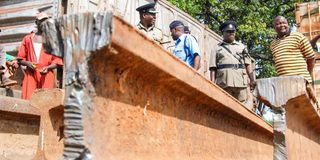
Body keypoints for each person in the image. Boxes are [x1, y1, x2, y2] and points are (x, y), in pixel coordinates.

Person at [17, 12, 63, 99]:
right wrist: (27, 64)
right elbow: (20, 59)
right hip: (31, 74)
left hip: (46, 74)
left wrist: (48, 68)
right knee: (28, 100)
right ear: (36, 22)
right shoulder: (28, 39)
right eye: (41, 21)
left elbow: (58, 61)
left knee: (45, 102)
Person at [209, 20, 255, 103]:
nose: (231, 33)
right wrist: (212, 84)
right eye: (228, 31)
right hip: (224, 82)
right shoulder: (216, 48)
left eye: (233, 31)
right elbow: (213, 68)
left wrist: (252, 80)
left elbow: (248, 64)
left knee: (242, 106)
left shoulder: (242, 47)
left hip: (240, 82)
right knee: (225, 105)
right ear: (223, 32)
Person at [271, 16, 315, 83]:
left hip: (301, 81)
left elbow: (311, 58)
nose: (282, 25)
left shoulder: (298, 37)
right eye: (278, 24)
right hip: (284, 83)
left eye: (284, 23)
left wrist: (306, 75)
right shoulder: (273, 44)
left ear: (288, 24)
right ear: (274, 27)